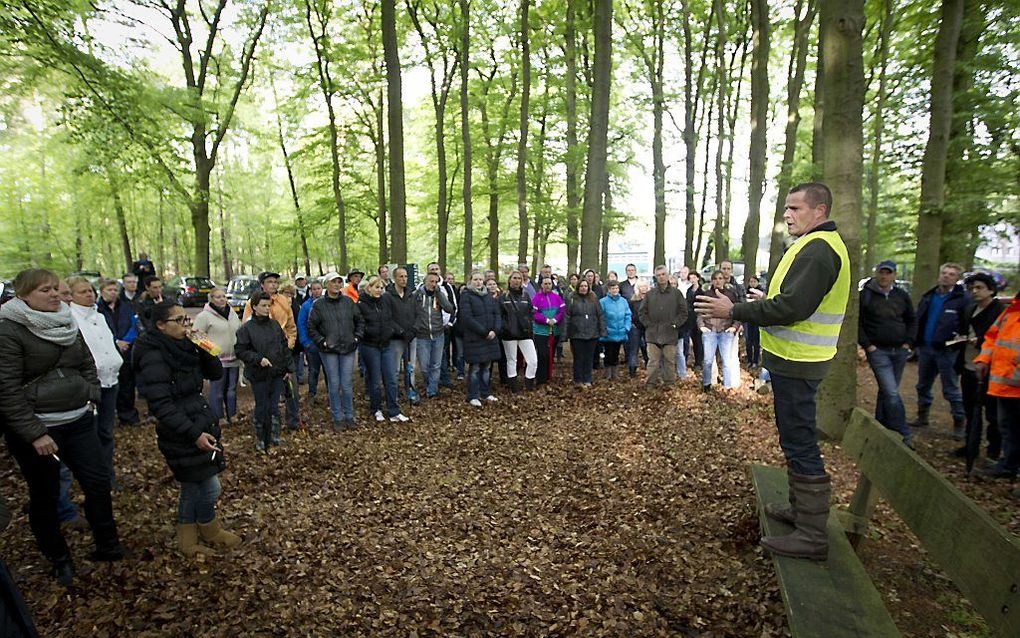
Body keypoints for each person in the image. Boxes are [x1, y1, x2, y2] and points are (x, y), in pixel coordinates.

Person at [696, 182, 851, 561]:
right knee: (794, 439)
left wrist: (733, 310)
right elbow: (796, 304)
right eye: (786, 208)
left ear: (820, 211)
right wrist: (768, 303)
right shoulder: (811, 248)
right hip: (793, 360)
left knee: (800, 442)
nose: (788, 215)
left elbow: (793, 309)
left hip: (800, 362)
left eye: (796, 208)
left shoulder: (818, 251)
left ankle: (812, 535)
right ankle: (802, 514)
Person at [0, 269, 126, 585]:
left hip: (79, 419)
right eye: (46, 290)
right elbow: (7, 388)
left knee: (97, 483)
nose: (56, 295)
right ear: (23, 295)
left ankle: (107, 545)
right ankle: (59, 558)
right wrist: (35, 433)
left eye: (57, 289)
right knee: (46, 494)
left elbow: (86, 362)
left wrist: (92, 396)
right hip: (39, 430)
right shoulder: (9, 329)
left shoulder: (67, 320)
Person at [133, 300, 240, 557]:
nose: (186, 325)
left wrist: (203, 345)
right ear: (160, 326)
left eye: (187, 319)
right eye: (180, 321)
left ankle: (207, 528)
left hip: (199, 418)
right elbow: (160, 405)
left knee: (204, 484)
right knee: (197, 486)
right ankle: (189, 537)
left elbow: (214, 373)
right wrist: (193, 434)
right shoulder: (153, 355)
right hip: (180, 429)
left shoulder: (186, 346)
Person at [68, 277, 123, 487]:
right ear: (71, 296)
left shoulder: (99, 316)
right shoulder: (71, 318)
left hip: (111, 382)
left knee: (106, 432)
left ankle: (107, 477)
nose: (89, 294)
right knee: (88, 436)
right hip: (89, 385)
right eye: (82, 292)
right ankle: (93, 480)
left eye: (90, 290)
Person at [858, 260, 916, 446]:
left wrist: (908, 343)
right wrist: (868, 345)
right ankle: (903, 432)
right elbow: (857, 323)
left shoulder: (901, 295)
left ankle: (881, 425)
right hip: (878, 350)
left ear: (894, 275)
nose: (884, 276)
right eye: (881, 272)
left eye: (888, 273)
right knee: (891, 392)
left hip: (899, 350)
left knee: (887, 390)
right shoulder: (865, 296)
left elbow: (911, 319)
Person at [912, 262, 970, 435]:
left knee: (950, 388)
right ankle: (922, 415)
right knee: (923, 385)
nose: (946, 276)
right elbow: (919, 318)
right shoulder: (930, 296)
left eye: (951, 274)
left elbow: (966, 324)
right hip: (926, 348)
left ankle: (959, 422)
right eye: (944, 273)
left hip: (948, 351)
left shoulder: (963, 300)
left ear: (957, 278)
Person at [236, 292, 294, 450]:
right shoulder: (246, 329)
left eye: (268, 305)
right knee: (262, 406)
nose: (266, 308)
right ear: (254, 307)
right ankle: (261, 438)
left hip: (276, 372)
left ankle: (274, 436)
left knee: (274, 406)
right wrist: (257, 359)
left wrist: (288, 368)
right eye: (263, 305)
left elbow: (284, 347)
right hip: (258, 374)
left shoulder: (275, 325)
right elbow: (241, 351)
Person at [974, 288, 1020, 482]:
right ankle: (1009, 464)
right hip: (1004, 383)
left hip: (1014, 382)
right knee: (1007, 427)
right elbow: (992, 337)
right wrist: (983, 359)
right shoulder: (1010, 311)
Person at [308, 273, 364, 431]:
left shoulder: (348, 302)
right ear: (327, 284)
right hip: (329, 350)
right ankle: (337, 417)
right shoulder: (318, 305)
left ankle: (349, 415)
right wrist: (322, 341)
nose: (337, 284)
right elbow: (311, 327)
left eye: (339, 281)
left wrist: (356, 338)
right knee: (334, 384)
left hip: (348, 347)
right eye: (333, 281)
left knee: (346, 384)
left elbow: (359, 320)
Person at [959, 273, 1005, 465]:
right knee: (970, 408)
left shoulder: (999, 312)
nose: (975, 292)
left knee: (993, 413)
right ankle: (970, 444)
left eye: (979, 288)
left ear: (991, 290)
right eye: (972, 288)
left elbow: (998, 339)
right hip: (968, 363)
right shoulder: (970, 309)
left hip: (990, 369)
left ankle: (993, 451)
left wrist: (980, 342)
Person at [242, 272, 298, 431]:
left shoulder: (283, 302)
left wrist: (289, 344)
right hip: (263, 355)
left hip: (283, 351)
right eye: (269, 282)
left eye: (275, 282)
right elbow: (247, 330)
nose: (273, 285)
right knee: (266, 395)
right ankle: (268, 427)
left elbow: (291, 327)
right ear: (262, 284)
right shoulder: (251, 303)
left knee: (290, 389)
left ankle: (292, 421)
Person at [359, 276, 409, 423]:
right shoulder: (361, 304)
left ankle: (394, 410)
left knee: (391, 379)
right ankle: (376, 409)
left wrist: (398, 331)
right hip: (370, 345)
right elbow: (359, 324)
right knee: (375, 380)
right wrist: (366, 333)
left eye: (381, 288)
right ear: (369, 288)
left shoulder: (385, 302)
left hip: (386, 345)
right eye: (376, 287)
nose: (379, 290)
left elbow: (390, 320)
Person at [192, 287, 242, 425]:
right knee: (217, 390)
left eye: (224, 296)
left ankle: (232, 414)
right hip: (217, 360)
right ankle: (218, 417)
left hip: (234, 359)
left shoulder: (232, 313)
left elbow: (238, 330)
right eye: (218, 297)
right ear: (211, 299)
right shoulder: (204, 316)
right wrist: (212, 350)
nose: (222, 299)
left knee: (231, 390)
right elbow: (196, 336)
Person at [97, 278, 140, 426]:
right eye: (109, 290)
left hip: (127, 349)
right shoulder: (97, 309)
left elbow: (134, 325)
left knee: (128, 383)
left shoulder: (126, 306)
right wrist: (116, 341)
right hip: (108, 350)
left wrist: (126, 340)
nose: (113, 293)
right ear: (102, 292)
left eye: (115, 290)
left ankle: (128, 415)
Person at [459, 271, 502, 406]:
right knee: (476, 367)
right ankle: (473, 395)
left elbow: (497, 314)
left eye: (480, 279)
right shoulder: (466, 296)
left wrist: (495, 330)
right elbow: (467, 318)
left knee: (487, 367)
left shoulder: (489, 296)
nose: (478, 282)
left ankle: (486, 392)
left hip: (490, 337)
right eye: (475, 279)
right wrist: (483, 332)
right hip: (475, 337)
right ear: (470, 281)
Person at [639, 265, 687, 388]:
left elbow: (684, 312)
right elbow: (642, 312)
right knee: (653, 362)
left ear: (668, 275)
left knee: (669, 361)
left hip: (670, 333)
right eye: (658, 275)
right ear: (655, 277)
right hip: (652, 334)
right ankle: (650, 384)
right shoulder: (650, 294)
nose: (661, 277)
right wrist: (648, 325)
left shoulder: (676, 294)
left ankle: (669, 383)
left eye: (663, 274)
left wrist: (675, 324)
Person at [414, 272, 455, 399]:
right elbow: (410, 311)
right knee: (425, 366)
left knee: (436, 364)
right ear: (425, 281)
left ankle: (432, 390)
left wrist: (440, 294)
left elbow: (450, 308)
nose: (433, 284)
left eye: (436, 282)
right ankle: (429, 384)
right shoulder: (417, 295)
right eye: (431, 281)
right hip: (422, 335)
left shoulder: (439, 295)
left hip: (438, 334)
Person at [697, 271, 740, 391]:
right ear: (711, 280)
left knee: (726, 361)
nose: (718, 281)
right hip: (710, 330)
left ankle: (727, 386)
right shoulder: (707, 295)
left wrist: (734, 327)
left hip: (725, 331)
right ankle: (706, 385)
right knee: (707, 361)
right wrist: (701, 326)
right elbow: (700, 312)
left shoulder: (731, 295)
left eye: (720, 278)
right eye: (715, 278)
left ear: (724, 280)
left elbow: (737, 312)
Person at [500, 270, 537, 392]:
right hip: (509, 333)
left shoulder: (526, 296)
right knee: (512, 360)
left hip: (524, 332)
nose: (517, 281)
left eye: (519, 278)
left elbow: (531, 312)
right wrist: (505, 327)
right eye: (514, 278)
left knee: (532, 360)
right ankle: (513, 385)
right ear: (509, 280)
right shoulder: (503, 297)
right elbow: (500, 315)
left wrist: (528, 324)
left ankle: (529, 383)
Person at [565, 279, 606, 386]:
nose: (584, 288)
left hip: (592, 333)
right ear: (578, 287)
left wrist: (602, 330)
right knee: (578, 358)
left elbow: (600, 315)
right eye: (581, 286)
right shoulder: (572, 299)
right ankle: (578, 379)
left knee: (589, 358)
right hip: (576, 333)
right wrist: (565, 333)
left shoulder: (593, 298)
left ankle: (587, 379)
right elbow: (567, 316)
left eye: (585, 286)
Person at [389, 267, 419, 405]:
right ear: (395, 278)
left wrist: (413, 330)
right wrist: (400, 331)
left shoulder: (411, 295)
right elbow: (388, 318)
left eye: (406, 276)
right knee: (394, 369)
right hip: (396, 338)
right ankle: (393, 395)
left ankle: (411, 392)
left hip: (411, 337)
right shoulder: (388, 296)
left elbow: (418, 314)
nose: (404, 279)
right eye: (401, 277)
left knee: (410, 368)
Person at [532, 276, 565, 386]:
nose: (547, 286)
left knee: (551, 355)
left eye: (549, 284)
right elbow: (534, 313)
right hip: (540, 331)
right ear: (541, 285)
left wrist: (555, 320)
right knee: (542, 354)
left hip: (554, 330)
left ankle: (548, 377)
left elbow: (561, 310)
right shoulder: (536, 298)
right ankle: (540, 378)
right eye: (545, 284)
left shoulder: (556, 297)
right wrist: (546, 320)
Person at [296, 280, 325, 404]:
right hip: (311, 343)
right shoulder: (306, 306)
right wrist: (305, 341)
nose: (316, 291)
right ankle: (312, 394)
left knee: (328, 370)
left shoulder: (326, 303)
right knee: (313, 370)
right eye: (314, 289)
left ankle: (331, 394)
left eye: (318, 288)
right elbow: (301, 324)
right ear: (310, 290)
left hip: (325, 343)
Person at [599, 280, 631, 381]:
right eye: (612, 288)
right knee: (608, 353)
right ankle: (608, 374)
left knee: (616, 353)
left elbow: (628, 315)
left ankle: (615, 374)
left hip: (620, 332)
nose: (615, 290)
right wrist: (604, 329)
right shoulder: (603, 302)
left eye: (616, 288)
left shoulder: (623, 301)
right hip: (608, 333)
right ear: (609, 289)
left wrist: (626, 327)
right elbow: (601, 317)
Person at [627, 280, 648, 376]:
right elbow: (629, 313)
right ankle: (632, 370)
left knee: (647, 348)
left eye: (645, 286)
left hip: (648, 327)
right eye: (641, 286)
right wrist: (631, 323)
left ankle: (649, 368)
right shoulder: (633, 301)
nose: (643, 288)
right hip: (635, 327)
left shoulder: (651, 299)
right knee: (633, 350)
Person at [744, 275, 764, 369]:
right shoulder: (746, 292)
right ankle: (749, 360)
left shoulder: (761, 292)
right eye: (751, 282)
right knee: (748, 341)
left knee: (756, 342)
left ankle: (755, 361)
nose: (752, 284)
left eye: (754, 282)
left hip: (757, 319)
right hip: (748, 319)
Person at [686, 273, 704, 371]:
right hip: (690, 318)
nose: (692, 279)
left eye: (694, 277)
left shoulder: (702, 290)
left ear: (698, 278)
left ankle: (698, 362)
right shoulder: (689, 290)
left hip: (699, 317)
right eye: (690, 278)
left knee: (698, 342)